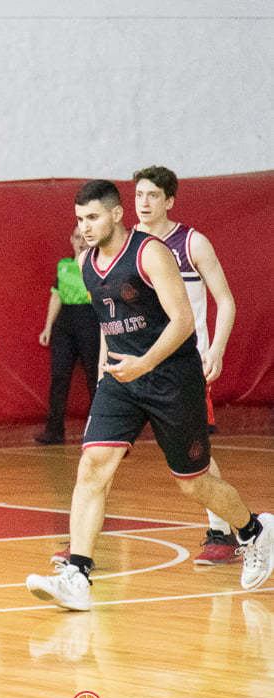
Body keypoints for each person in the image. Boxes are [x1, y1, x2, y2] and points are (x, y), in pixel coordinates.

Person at [26, 180, 274, 611]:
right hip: (122, 380)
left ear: (117, 214)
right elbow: (111, 324)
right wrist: (113, 369)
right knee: (91, 468)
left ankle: (255, 532)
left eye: (93, 217)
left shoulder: (150, 253)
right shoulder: (85, 263)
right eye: (80, 219)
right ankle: (77, 575)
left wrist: (144, 363)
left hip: (173, 379)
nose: (85, 227)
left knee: (194, 484)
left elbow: (182, 322)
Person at [133, 165, 238, 566]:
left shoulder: (192, 243)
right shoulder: (128, 245)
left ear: (169, 201)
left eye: (153, 196)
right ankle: (82, 538)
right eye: (138, 194)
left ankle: (222, 529)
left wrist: (217, 349)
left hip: (184, 365)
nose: (143, 203)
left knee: (196, 451)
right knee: (101, 453)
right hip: (138, 364)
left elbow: (225, 300)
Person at [34, 227, 100, 445]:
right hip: (65, 323)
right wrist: (47, 328)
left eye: (85, 239)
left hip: (90, 319)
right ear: (71, 240)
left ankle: (101, 429)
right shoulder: (64, 265)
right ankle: (54, 431)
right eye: (77, 238)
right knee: (59, 376)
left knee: (95, 376)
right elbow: (56, 297)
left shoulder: (98, 265)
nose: (81, 242)